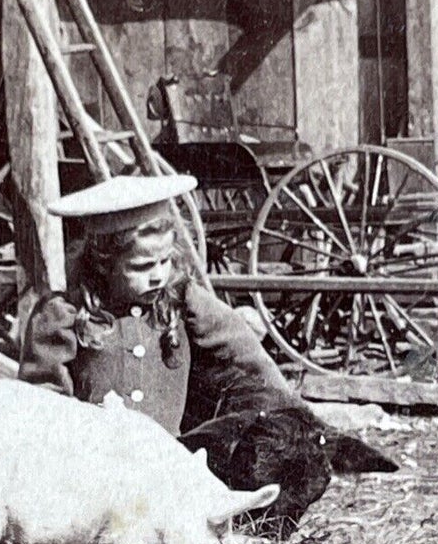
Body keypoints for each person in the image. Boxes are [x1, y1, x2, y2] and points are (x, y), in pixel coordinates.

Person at [18, 173, 310, 435]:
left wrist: (294, 413)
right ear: (103, 263)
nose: (158, 275)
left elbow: (243, 350)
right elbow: (43, 400)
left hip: (169, 464)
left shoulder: (181, 299)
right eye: (142, 266)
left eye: (165, 261)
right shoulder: (65, 313)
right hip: (97, 465)